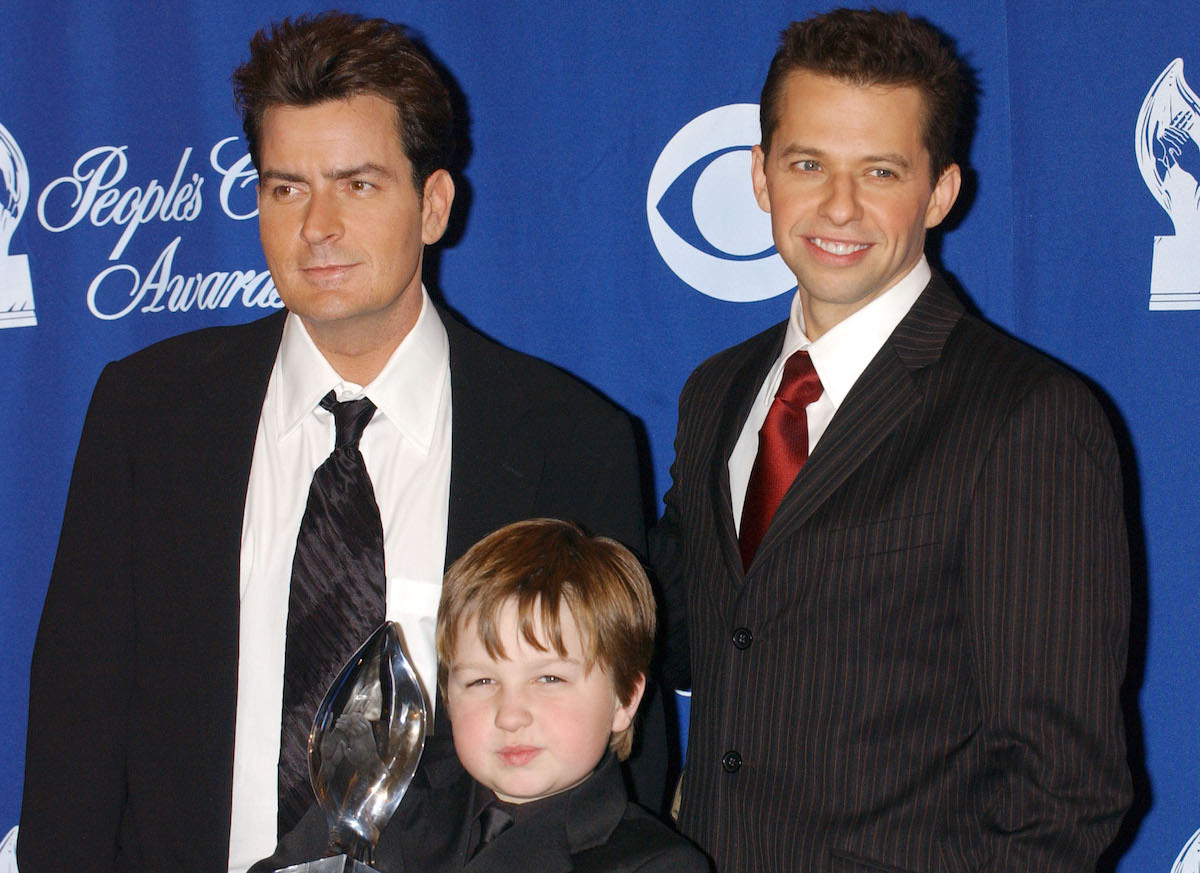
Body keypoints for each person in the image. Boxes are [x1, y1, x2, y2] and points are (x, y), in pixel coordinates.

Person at [19, 13, 659, 873]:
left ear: (433, 204)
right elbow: (76, 731)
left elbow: (616, 783)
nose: (316, 225)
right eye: (286, 188)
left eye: (357, 185)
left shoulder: (569, 437)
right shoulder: (149, 413)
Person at [652, 9, 1132, 873]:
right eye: (808, 164)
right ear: (761, 176)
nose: (839, 206)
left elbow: (1064, 789)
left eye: (880, 170)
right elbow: (692, 635)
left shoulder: (1027, 415)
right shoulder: (716, 392)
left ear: (940, 191)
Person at [252, 519, 710, 873]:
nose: (510, 715)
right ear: (447, 695)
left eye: (548, 679)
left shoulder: (658, 864)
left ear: (625, 699)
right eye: (481, 682)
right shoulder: (380, 800)